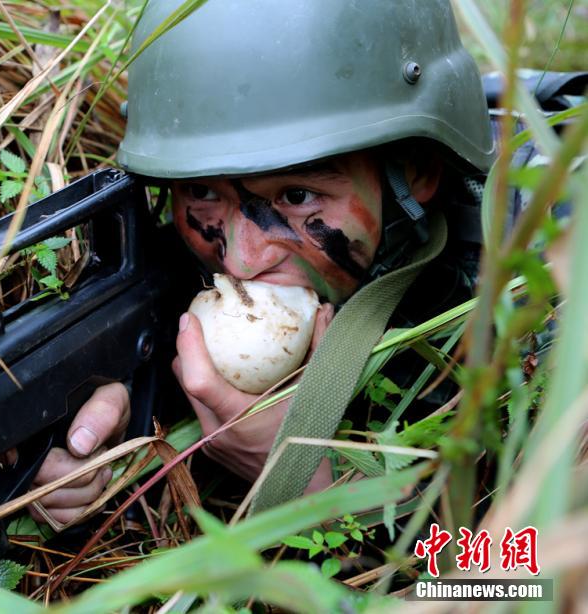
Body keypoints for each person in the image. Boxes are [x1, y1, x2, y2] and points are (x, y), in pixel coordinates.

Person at [30, 0, 495, 525]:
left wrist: (310, 482)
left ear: (414, 176)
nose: (242, 261)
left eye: (297, 195)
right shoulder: (173, 272)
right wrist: (123, 429)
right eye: (201, 192)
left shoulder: (527, 300)